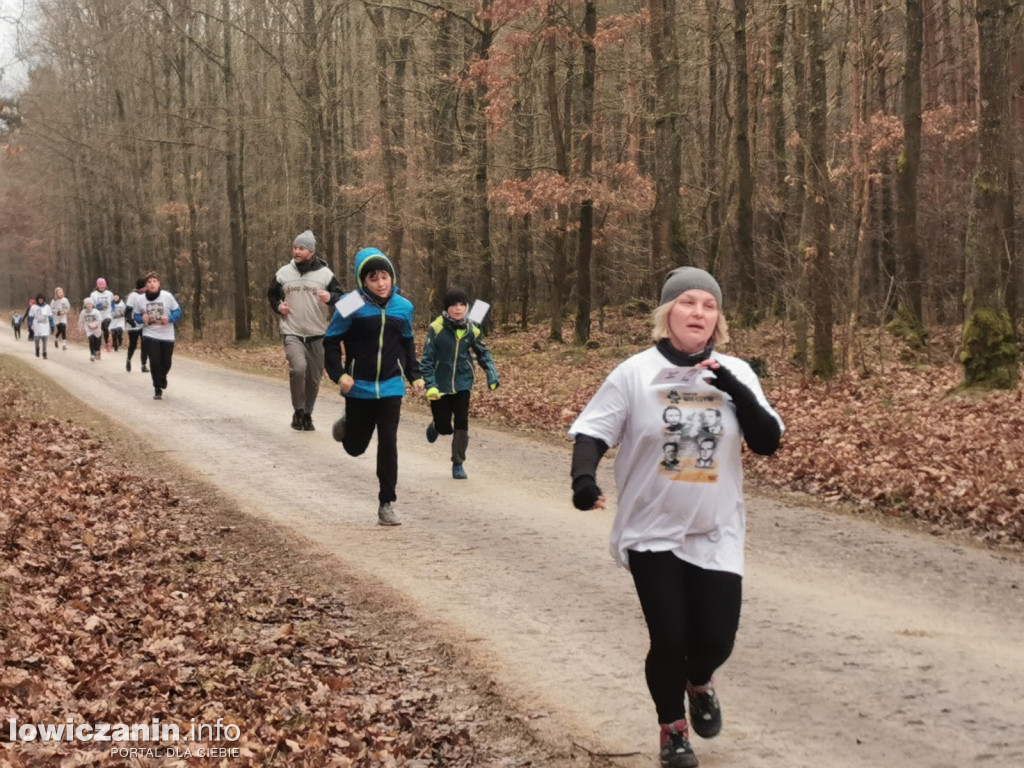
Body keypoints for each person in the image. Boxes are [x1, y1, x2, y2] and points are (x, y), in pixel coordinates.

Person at [567, 267, 784, 768]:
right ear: (667, 314)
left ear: (718, 320)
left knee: (715, 639)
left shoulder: (738, 373)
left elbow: (768, 441)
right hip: (651, 530)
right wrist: (584, 481)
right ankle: (673, 731)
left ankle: (700, 682)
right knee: (669, 637)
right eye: (688, 303)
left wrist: (732, 384)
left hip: (716, 529)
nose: (698, 313)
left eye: (709, 306)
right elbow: (593, 432)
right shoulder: (634, 373)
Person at [324, 247, 424, 526]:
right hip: (359, 387)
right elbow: (330, 342)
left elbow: (406, 342)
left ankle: (386, 503)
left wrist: (414, 375)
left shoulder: (404, 307)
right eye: (373, 278)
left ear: (392, 277)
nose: (381, 283)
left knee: (388, 442)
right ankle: (348, 425)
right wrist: (339, 375)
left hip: (391, 386)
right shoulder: (348, 304)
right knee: (355, 448)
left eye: (384, 277)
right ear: (362, 281)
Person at [267, 229, 343, 431]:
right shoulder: (283, 273)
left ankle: (308, 414)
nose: (297, 251)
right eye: (295, 247)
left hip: (317, 334)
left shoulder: (325, 274)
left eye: (301, 248)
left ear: (311, 251)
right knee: (298, 368)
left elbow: (341, 297)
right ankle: (298, 410)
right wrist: (278, 307)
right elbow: (272, 294)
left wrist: (330, 298)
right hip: (292, 332)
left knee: (314, 378)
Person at [420, 286, 499, 479]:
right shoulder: (436, 328)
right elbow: (427, 360)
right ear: (446, 308)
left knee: (462, 422)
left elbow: (483, 352)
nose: (458, 308)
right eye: (453, 305)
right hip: (440, 384)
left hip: (463, 381)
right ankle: (436, 426)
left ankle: (458, 462)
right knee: (445, 426)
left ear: (466, 307)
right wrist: (430, 384)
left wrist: (491, 374)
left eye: (462, 304)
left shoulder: (471, 329)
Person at [134, 271, 181, 400]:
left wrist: (170, 318)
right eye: (149, 282)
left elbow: (177, 311)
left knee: (166, 363)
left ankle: (163, 376)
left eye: (154, 281)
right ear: (146, 286)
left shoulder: (167, 296)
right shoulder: (140, 299)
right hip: (150, 334)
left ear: (159, 284)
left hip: (167, 334)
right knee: (154, 362)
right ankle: (157, 388)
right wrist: (141, 318)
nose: (152, 284)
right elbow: (136, 315)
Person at [124, 277, 149, 373]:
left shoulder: (147, 295)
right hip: (133, 324)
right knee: (133, 345)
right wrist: (131, 321)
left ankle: (143, 365)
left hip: (143, 324)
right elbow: (127, 312)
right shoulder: (133, 296)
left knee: (145, 344)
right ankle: (128, 360)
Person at [89, 278, 115, 353]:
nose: (102, 286)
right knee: (99, 333)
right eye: (100, 284)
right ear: (97, 285)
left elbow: (113, 303)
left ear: (105, 285)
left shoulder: (109, 294)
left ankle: (107, 343)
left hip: (107, 314)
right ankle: (98, 350)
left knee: (106, 327)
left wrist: (113, 309)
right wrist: (97, 306)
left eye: (103, 284)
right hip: (98, 316)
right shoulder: (93, 294)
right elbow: (91, 305)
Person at [28, 294, 54, 359]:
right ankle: (37, 349)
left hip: (45, 326)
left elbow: (50, 317)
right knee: (37, 339)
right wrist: (30, 325)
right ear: (37, 300)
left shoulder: (47, 307)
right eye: (39, 299)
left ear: (44, 300)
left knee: (44, 340)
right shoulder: (33, 307)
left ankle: (44, 353)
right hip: (37, 325)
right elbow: (30, 317)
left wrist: (52, 325)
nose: (40, 300)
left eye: (42, 299)